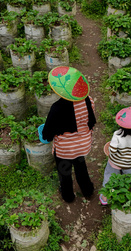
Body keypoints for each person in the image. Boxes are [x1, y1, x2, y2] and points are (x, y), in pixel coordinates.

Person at [41, 66, 96, 203]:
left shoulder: (57, 108)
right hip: (82, 145)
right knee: (81, 167)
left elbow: (47, 132)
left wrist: (46, 136)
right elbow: (90, 120)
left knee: (64, 173)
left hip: (64, 150)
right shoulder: (88, 100)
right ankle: (88, 191)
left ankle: (68, 196)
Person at [100, 107, 131, 205]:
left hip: (115, 163)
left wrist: (114, 154)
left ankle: (105, 198)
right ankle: (126, 197)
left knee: (109, 177)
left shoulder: (117, 135)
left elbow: (112, 150)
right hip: (130, 164)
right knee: (129, 179)